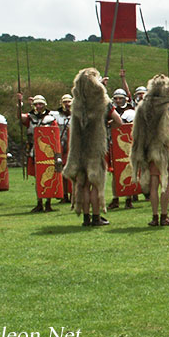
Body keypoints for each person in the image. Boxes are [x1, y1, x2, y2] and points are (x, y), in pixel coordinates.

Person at [64, 68, 122, 226]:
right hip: (95, 148)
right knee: (95, 184)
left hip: (79, 149)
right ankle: (96, 217)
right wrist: (106, 124)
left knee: (83, 184)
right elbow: (118, 121)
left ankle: (86, 217)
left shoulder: (76, 104)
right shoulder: (103, 102)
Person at [131, 74, 169, 226]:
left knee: (153, 185)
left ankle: (155, 217)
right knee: (164, 184)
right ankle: (164, 217)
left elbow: (137, 131)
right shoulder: (168, 105)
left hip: (148, 150)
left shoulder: (143, 106)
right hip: (163, 150)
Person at [17, 93, 59, 213]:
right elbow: (19, 117)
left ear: (44, 105)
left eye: (41, 104)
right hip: (34, 151)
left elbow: (54, 137)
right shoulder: (30, 118)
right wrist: (19, 104)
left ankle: (48, 202)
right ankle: (39, 202)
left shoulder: (51, 119)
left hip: (48, 152)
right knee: (38, 178)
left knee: (49, 176)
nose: (39, 106)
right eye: (36, 104)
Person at [106, 87, 136, 210]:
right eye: (116, 98)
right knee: (115, 173)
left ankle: (128, 198)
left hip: (127, 146)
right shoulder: (109, 112)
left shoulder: (131, 112)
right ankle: (116, 198)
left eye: (120, 98)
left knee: (129, 170)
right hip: (113, 145)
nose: (118, 101)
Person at [55, 94, 73, 204]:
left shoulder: (77, 115)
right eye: (65, 101)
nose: (67, 104)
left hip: (72, 146)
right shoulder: (56, 116)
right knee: (61, 172)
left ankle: (73, 195)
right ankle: (64, 194)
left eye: (69, 101)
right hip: (61, 146)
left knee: (72, 171)